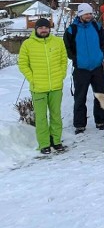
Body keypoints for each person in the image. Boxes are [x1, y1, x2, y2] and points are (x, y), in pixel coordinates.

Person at [19, 18, 68, 154]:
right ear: (36, 29)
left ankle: (56, 141)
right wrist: (32, 78)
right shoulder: (28, 44)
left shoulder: (58, 42)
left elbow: (64, 59)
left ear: (49, 28)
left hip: (56, 86)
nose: (43, 30)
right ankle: (44, 144)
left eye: (46, 27)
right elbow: (23, 64)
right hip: (38, 88)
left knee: (56, 115)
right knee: (41, 118)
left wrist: (61, 74)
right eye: (40, 28)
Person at [64, 3, 104, 134]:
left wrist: (101, 54)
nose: (89, 16)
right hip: (81, 68)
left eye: (90, 13)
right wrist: (75, 58)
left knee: (100, 95)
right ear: (80, 15)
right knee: (80, 97)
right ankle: (79, 125)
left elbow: (103, 41)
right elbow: (67, 46)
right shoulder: (72, 29)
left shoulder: (96, 26)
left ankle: (100, 121)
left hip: (96, 67)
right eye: (86, 14)